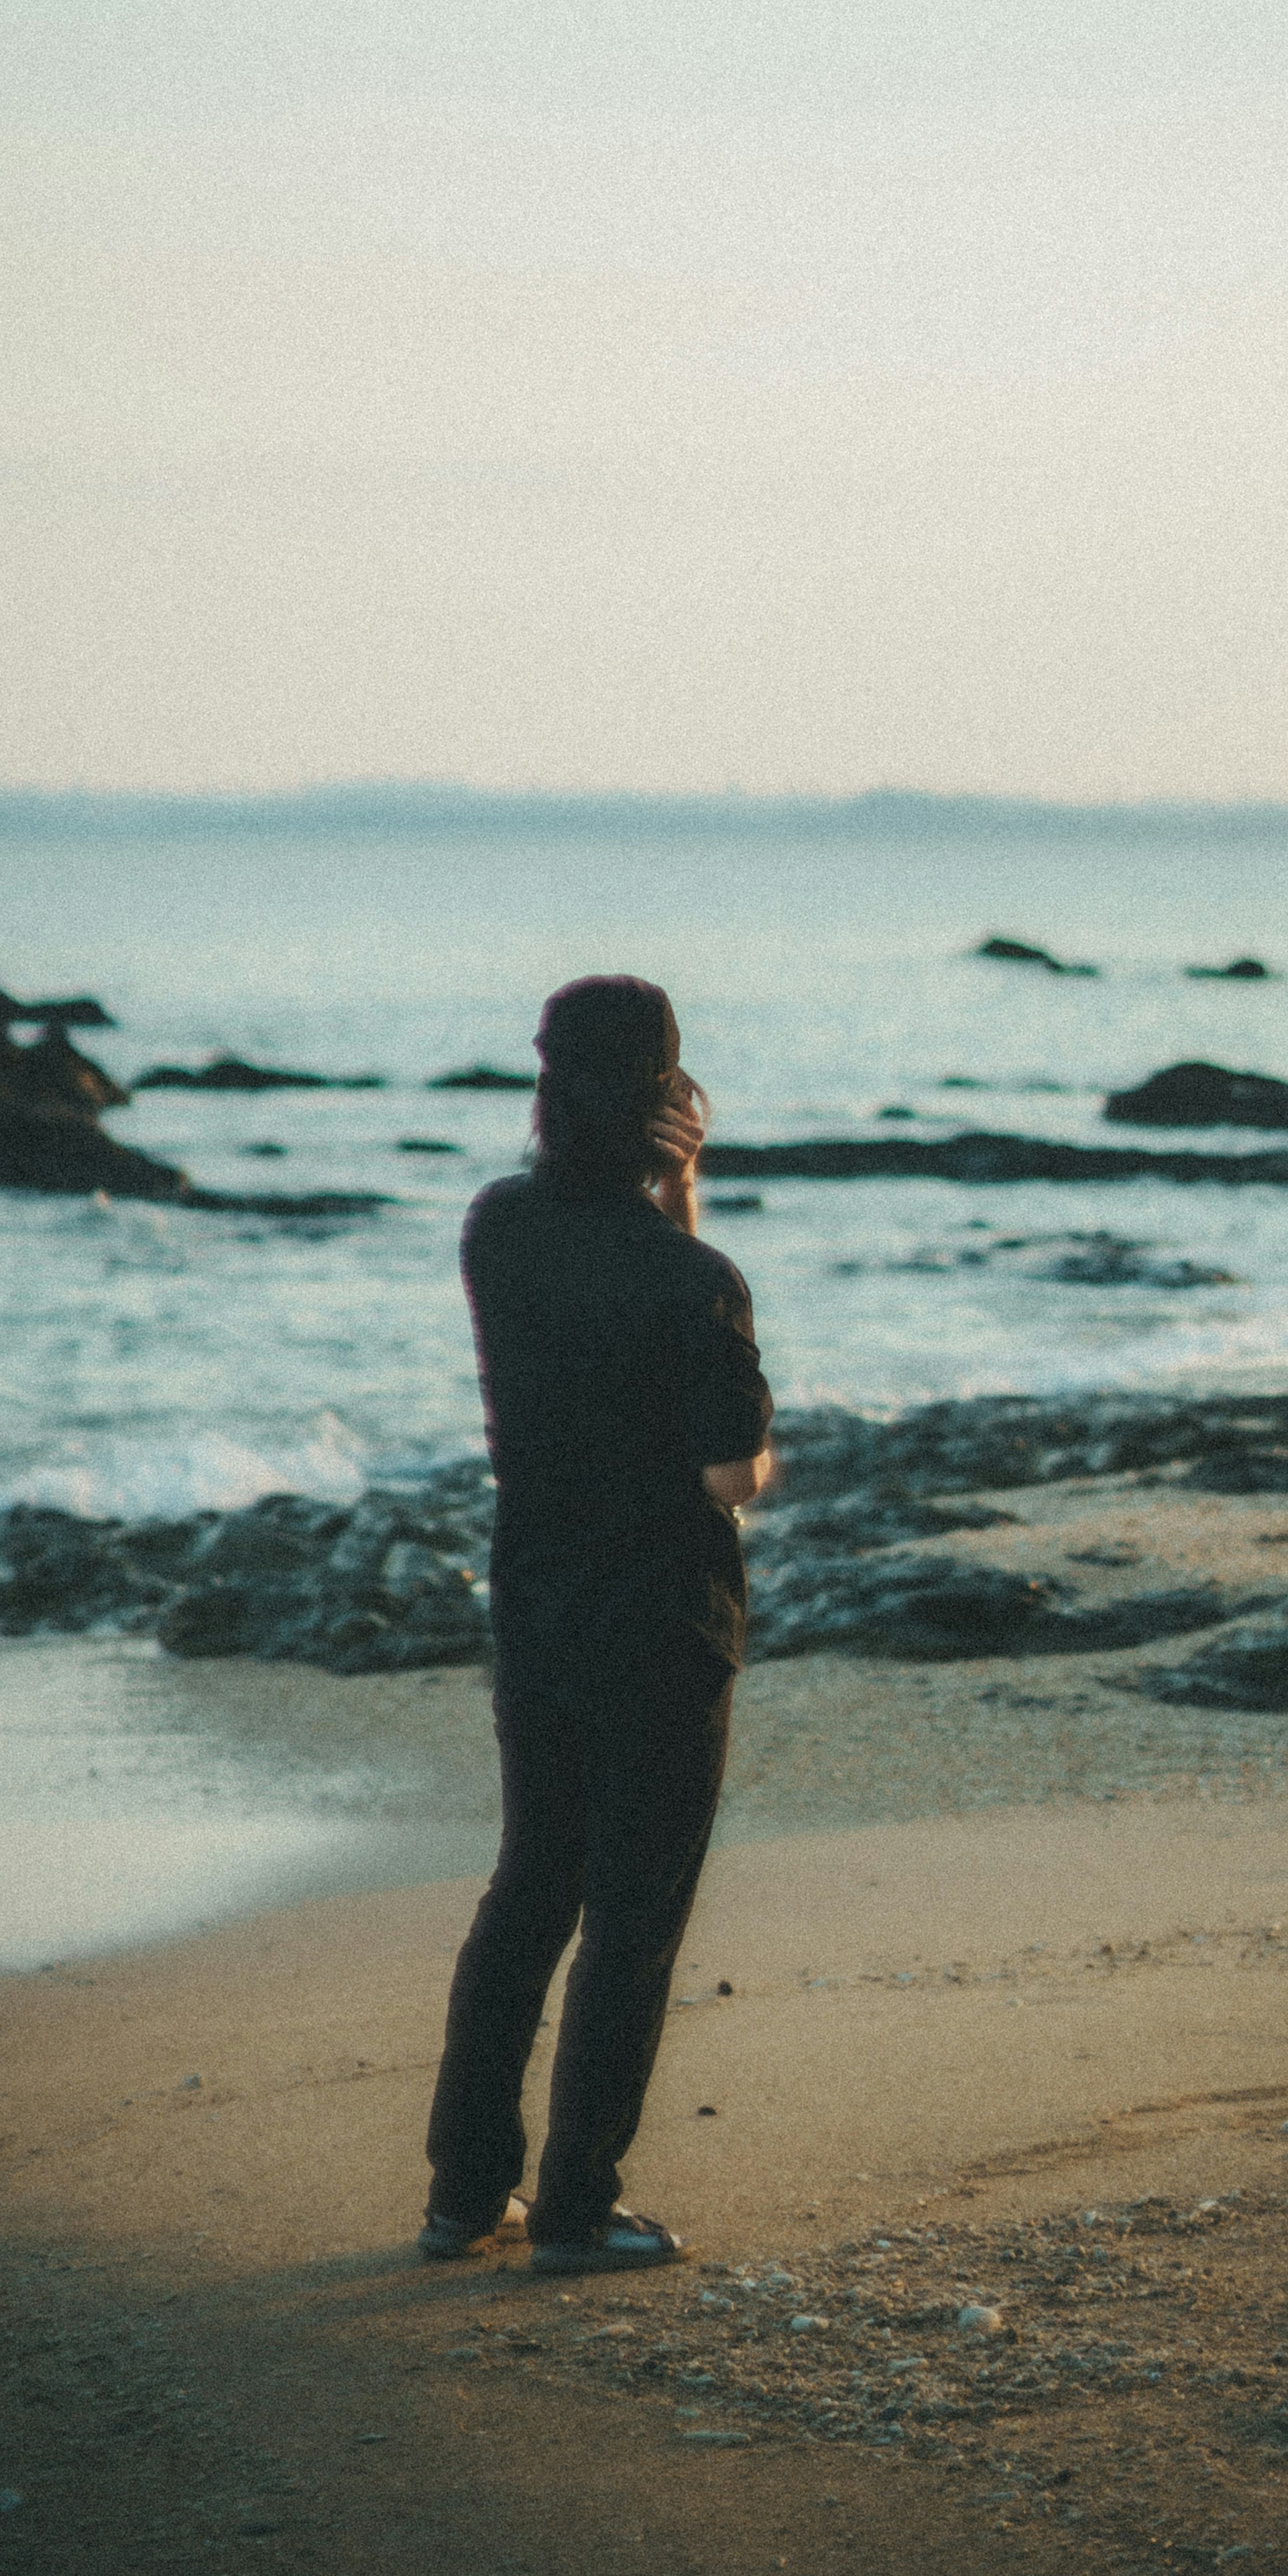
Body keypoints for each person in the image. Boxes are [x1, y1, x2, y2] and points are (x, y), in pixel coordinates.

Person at [420, 974, 774, 2277]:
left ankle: (465, 2194)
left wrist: (663, 1205)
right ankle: (575, 2205)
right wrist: (683, 1204)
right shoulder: (692, 1278)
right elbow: (733, 1472)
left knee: (530, 1891)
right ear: (669, 1101)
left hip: (538, 1606)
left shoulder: (494, 1230)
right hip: (666, 1625)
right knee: (632, 1921)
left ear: (544, 1082)